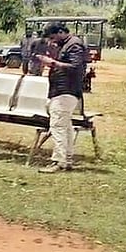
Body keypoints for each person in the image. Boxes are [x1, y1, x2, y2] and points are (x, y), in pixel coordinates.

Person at [36, 21, 87, 173]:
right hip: (59, 91)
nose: (52, 41)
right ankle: (67, 159)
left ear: (60, 32)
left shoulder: (74, 45)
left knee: (57, 127)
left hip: (66, 91)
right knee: (65, 127)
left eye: (53, 37)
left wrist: (52, 63)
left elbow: (75, 67)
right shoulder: (64, 45)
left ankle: (58, 161)